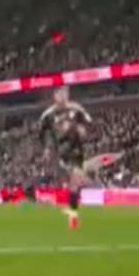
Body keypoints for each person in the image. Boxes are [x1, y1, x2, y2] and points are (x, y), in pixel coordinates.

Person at [38, 87, 93, 230]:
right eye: (60, 94)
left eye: (65, 93)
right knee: (77, 176)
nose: (63, 96)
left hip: (78, 150)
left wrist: (83, 130)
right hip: (63, 151)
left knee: (75, 182)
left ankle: (73, 213)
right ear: (54, 96)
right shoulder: (49, 115)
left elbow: (89, 122)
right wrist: (46, 148)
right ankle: (73, 211)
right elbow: (41, 132)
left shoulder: (76, 108)